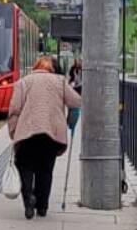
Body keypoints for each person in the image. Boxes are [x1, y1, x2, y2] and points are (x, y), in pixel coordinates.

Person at [7, 56, 82, 219]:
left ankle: (28, 201)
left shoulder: (23, 82)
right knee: (45, 170)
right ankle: (42, 207)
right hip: (51, 135)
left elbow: (14, 110)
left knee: (25, 167)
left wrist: (14, 132)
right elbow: (76, 101)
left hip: (27, 133)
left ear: (35, 67)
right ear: (52, 69)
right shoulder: (60, 81)